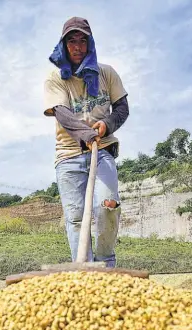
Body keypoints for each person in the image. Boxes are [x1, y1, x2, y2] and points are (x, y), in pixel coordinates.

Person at [44, 17, 129, 267]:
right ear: (64, 45)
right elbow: (61, 112)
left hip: (102, 151)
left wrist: (106, 126)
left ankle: (105, 265)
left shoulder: (107, 73)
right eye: (72, 41)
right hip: (68, 155)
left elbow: (122, 108)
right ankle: (83, 271)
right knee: (76, 219)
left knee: (107, 206)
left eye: (83, 40)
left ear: (90, 43)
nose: (78, 46)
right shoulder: (56, 77)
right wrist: (86, 133)